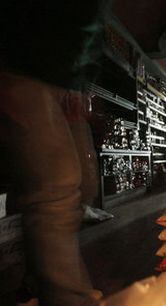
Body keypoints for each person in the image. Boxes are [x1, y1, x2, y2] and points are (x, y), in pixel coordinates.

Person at [0, 1, 110, 305]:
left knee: (84, 185)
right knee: (55, 189)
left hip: (61, 78)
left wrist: (80, 83)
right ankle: (67, 296)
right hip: (23, 66)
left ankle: (40, 281)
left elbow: (86, 23)